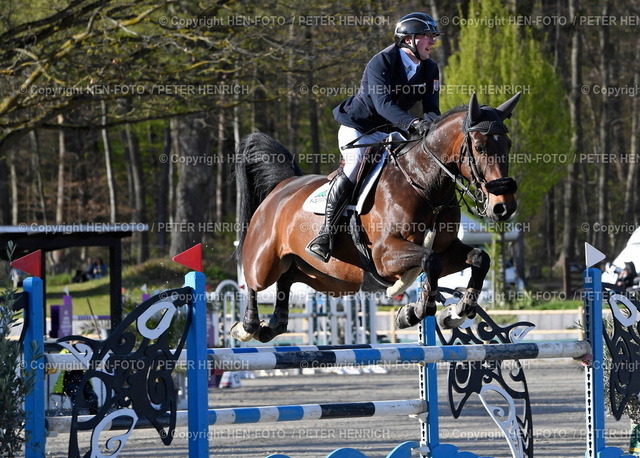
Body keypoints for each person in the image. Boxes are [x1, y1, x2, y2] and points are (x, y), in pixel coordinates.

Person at [306, 12, 442, 262]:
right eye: (428, 37)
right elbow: (383, 104)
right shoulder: (382, 63)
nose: (433, 42)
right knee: (356, 165)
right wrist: (413, 122)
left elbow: (432, 108)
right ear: (409, 39)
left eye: (433, 37)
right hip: (359, 126)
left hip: (392, 129)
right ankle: (326, 234)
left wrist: (434, 131)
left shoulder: (430, 68)